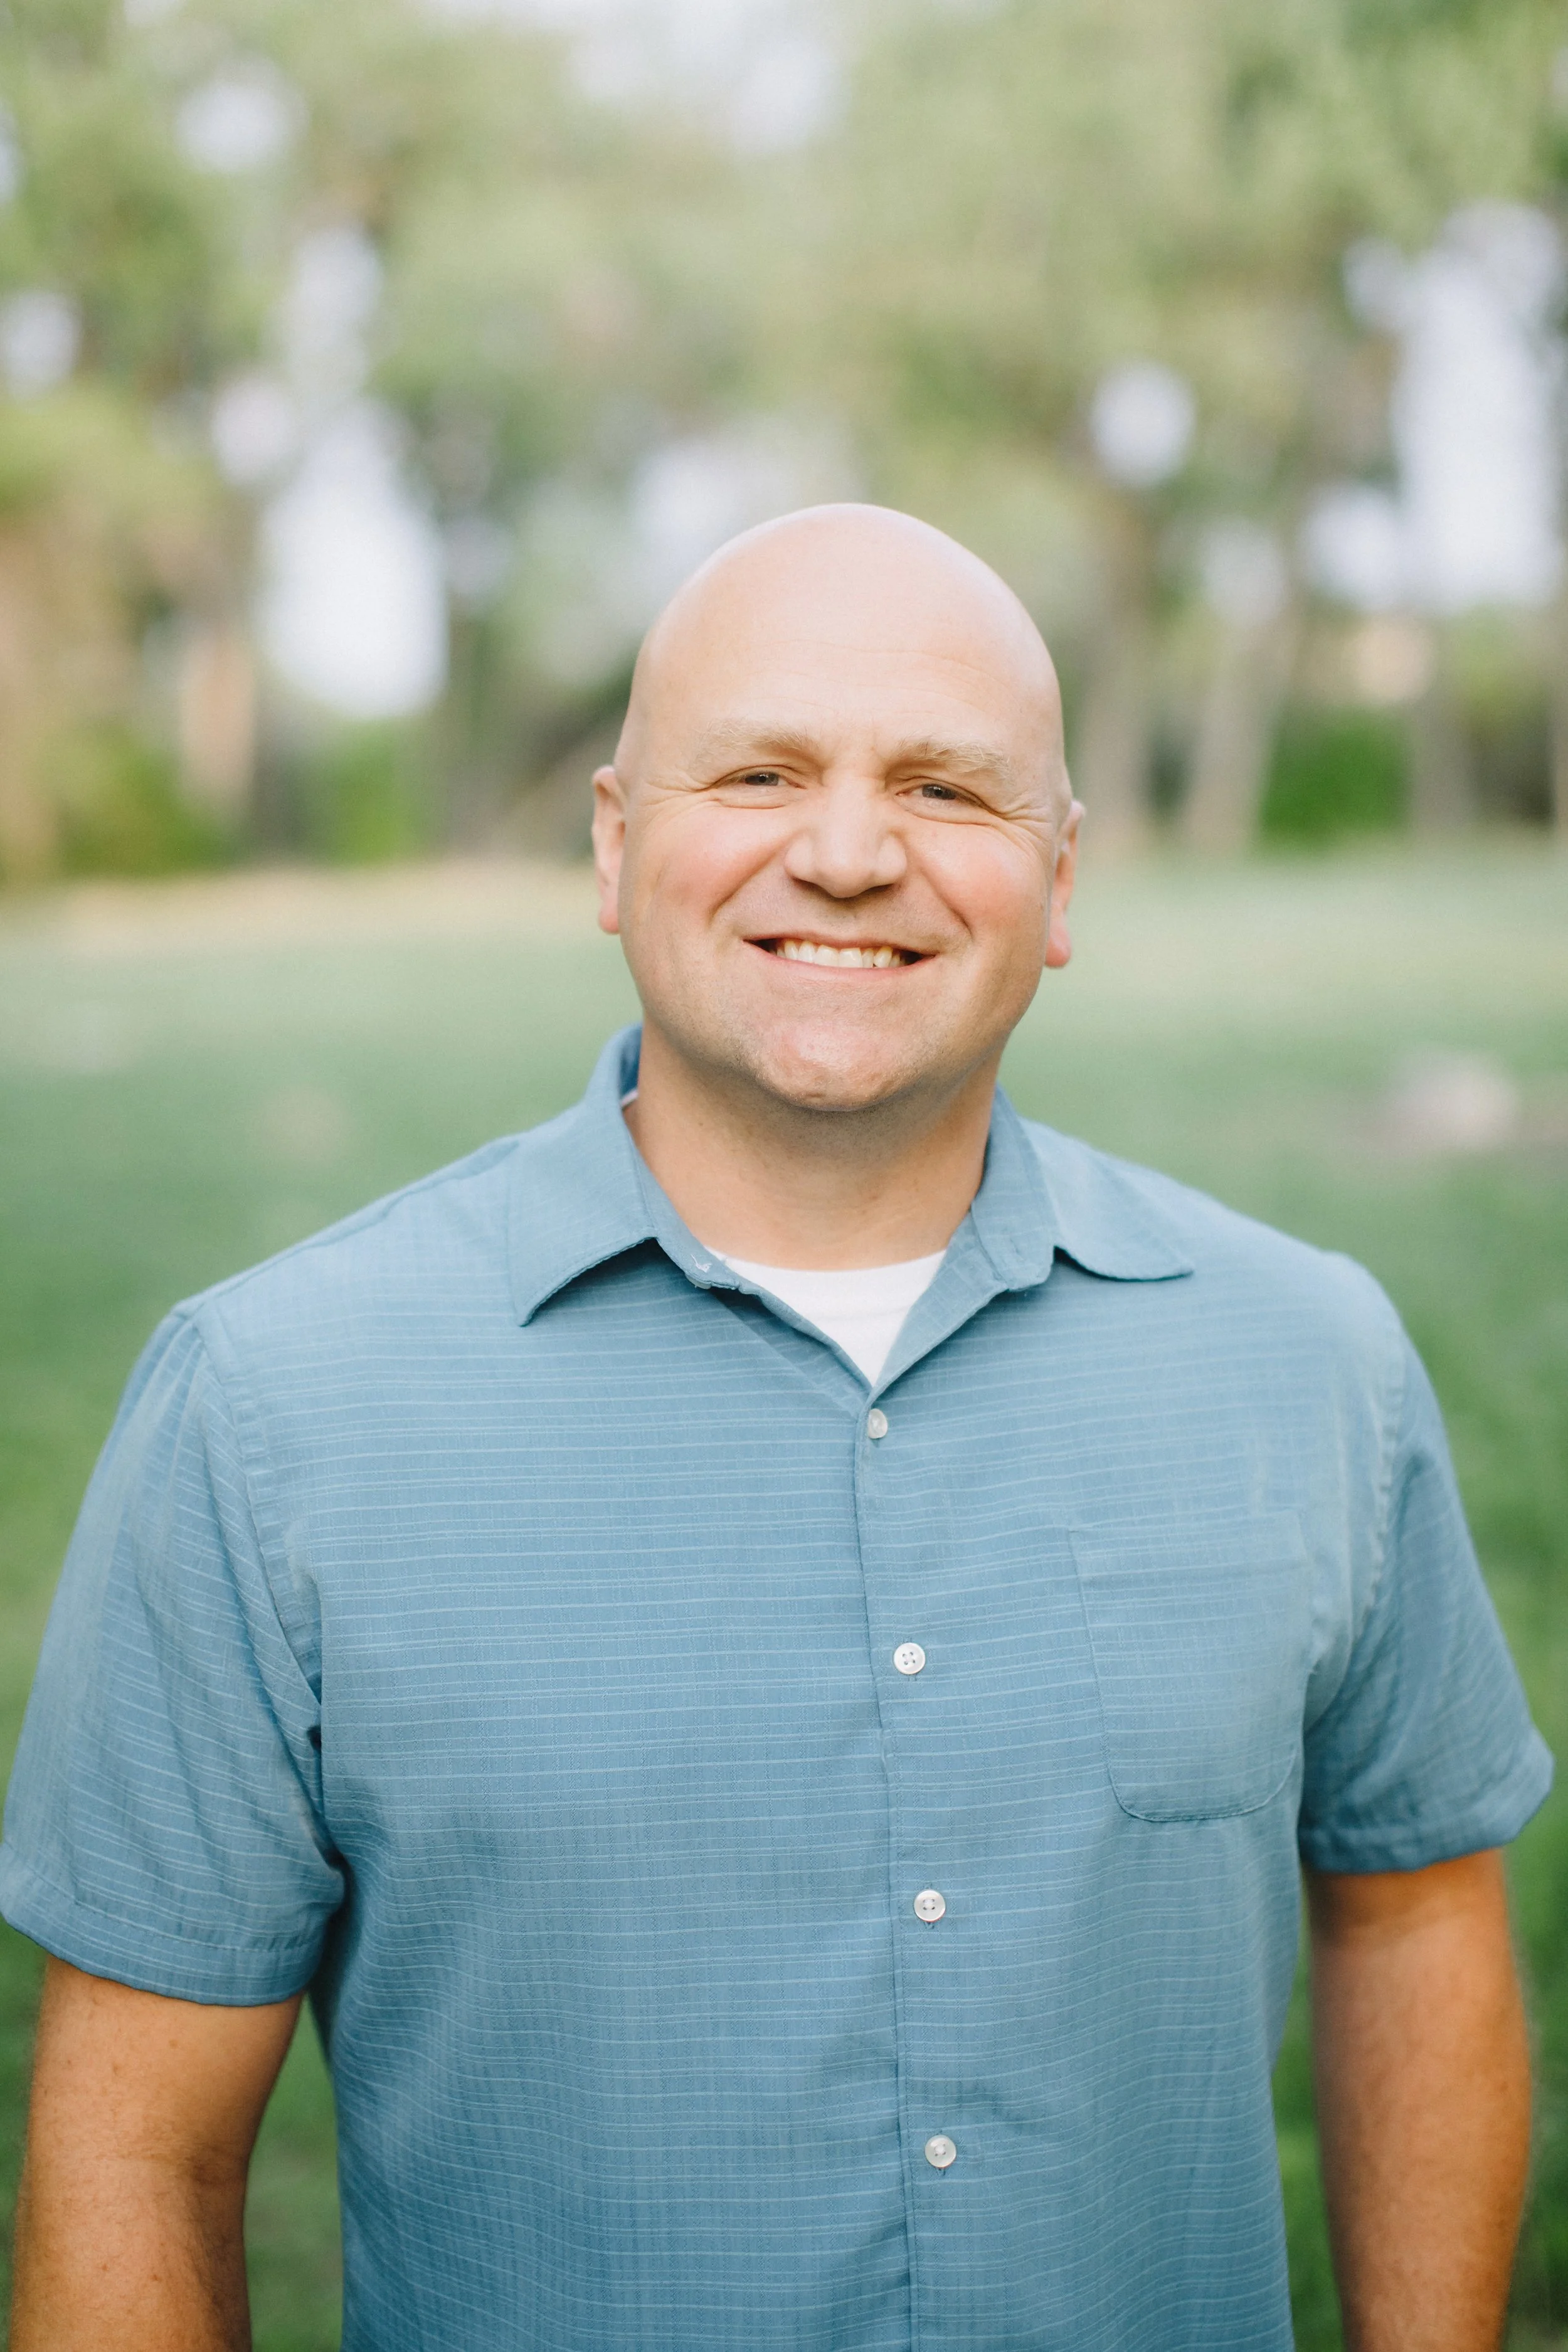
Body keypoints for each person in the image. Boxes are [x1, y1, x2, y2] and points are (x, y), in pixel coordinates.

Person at [2, 505, 1550, 2352]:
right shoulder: (266, 1409)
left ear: (1059, 880)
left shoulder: (1310, 1360)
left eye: (945, 789)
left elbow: (1411, 1921)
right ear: (611, 841)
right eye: (757, 772)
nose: (844, 853)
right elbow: (137, 2157)